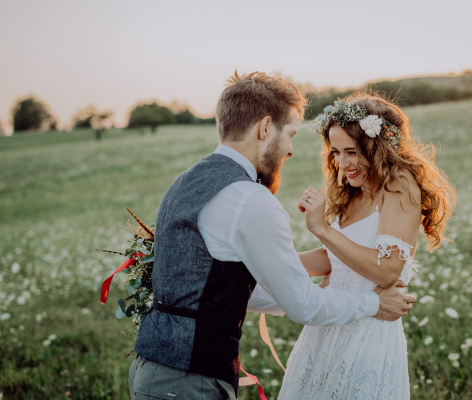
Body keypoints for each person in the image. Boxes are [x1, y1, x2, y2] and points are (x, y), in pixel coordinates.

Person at [128, 73, 417, 400]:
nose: (291, 149)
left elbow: (230, 289)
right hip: (189, 380)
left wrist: (292, 279)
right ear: (265, 129)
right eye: (290, 134)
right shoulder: (250, 199)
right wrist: (372, 302)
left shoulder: (182, 185)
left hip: (150, 368)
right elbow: (303, 305)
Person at [274, 94, 455, 399]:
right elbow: (337, 259)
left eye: (352, 152)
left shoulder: (399, 184)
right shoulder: (351, 192)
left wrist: (321, 228)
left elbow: (387, 271)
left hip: (369, 327)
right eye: (336, 153)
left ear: (377, 146)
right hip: (330, 323)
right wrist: (271, 260)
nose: (343, 164)